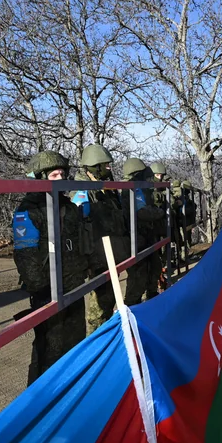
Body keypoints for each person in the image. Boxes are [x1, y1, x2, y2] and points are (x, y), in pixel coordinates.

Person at [13, 151, 89, 385]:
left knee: (76, 339)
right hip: (48, 290)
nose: (60, 178)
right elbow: (26, 256)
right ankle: (41, 392)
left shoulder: (68, 206)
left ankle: (72, 385)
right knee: (49, 347)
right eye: (54, 175)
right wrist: (42, 291)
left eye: (62, 174)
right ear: (39, 177)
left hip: (73, 284)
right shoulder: (28, 211)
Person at [72, 143, 130, 333]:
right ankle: (96, 336)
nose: (109, 168)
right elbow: (80, 225)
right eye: (105, 165)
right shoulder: (82, 190)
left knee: (108, 298)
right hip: (96, 256)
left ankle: (105, 331)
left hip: (110, 252)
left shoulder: (106, 188)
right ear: (94, 165)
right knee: (98, 306)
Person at [121, 157, 165, 305]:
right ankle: (132, 307)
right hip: (136, 237)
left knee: (154, 267)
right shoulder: (132, 188)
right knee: (138, 277)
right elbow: (143, 212)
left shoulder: (137, 187)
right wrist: (160, 212)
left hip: (144, 235)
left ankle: (150, 297)